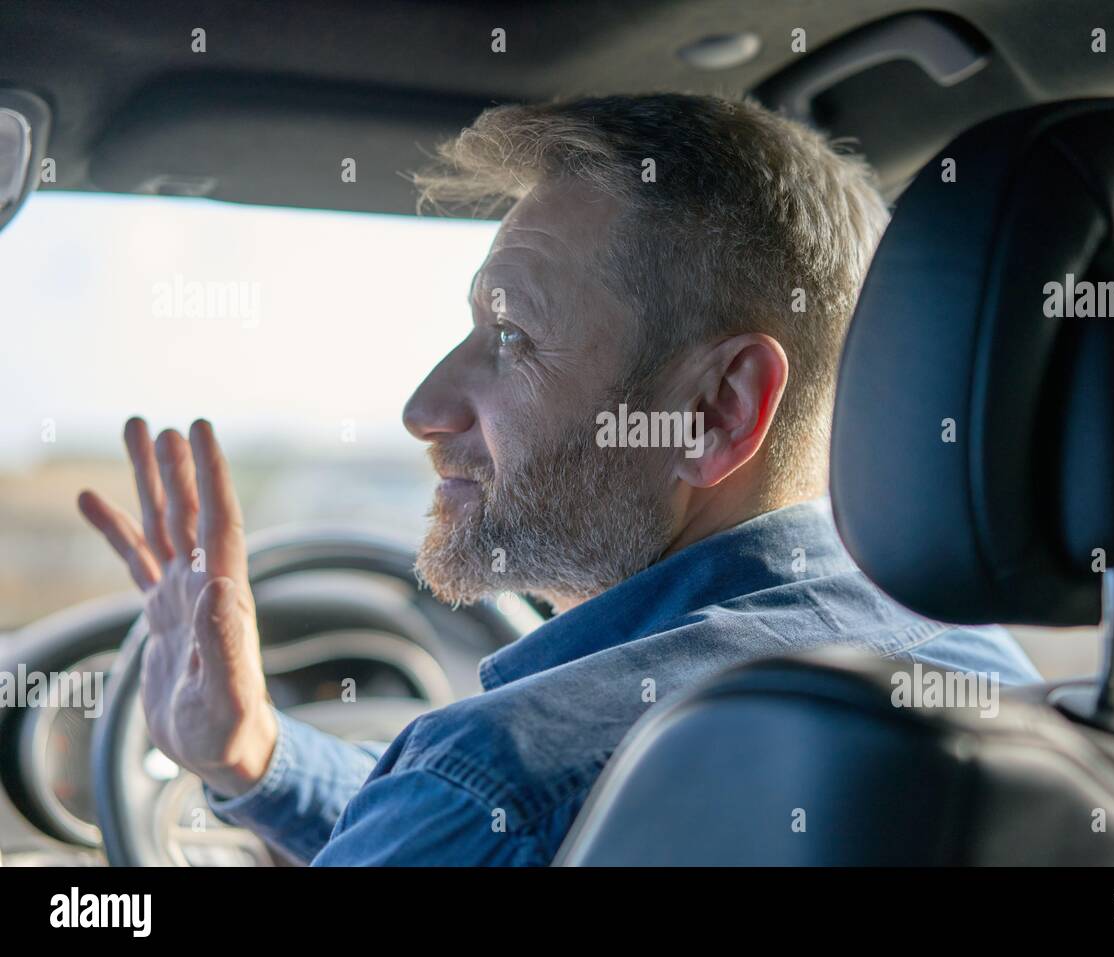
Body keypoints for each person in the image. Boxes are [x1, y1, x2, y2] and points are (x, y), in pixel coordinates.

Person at [78, 93, 1041, 865]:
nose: (425, 406)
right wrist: (261, 758)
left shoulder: (499, 773)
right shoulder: (995, 683)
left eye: (511, 337)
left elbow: (495, 815)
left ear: (714, 411)